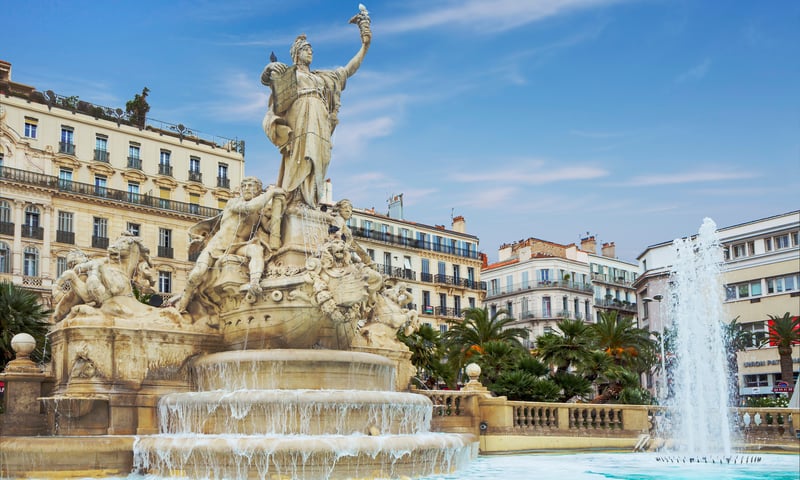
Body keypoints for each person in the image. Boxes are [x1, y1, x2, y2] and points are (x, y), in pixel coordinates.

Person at [260, 8, 371, 208]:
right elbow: (269, 82)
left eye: (311, 49)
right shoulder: (291, 74)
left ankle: (310, 200)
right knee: (303, 156)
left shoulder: (322, 77)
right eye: (306, 49)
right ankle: (296, 199)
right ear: (296, 54)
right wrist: (269, 69)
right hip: (301, 116)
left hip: (320, 118)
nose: (311, 52)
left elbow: (348, 70)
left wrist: (365, 46)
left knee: (321, 158)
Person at [174, 177, 283, 312]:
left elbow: (268, 229)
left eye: (251, 186)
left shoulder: (259, 213)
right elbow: (249, 207)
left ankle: (254, 283)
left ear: (258, 190)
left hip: (239, 246)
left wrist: (278, 210)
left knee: (256, 250)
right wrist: (271, 193)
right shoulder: (234, 203)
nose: (247, 188)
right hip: (218, 246)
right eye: (244, 186)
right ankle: (183, 304)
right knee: (197, 273)